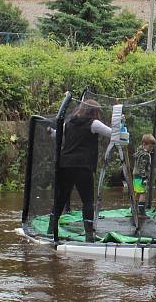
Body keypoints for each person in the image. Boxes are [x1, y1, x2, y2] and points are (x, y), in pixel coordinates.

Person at [47, 99, 112, 242]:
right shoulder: (93, 123)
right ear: (94, 111)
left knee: (61, 198)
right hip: (83, 166)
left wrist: (50, 130)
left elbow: (56, 135)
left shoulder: (69, 123)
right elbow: (113, 134)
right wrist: (121, 127)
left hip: (65, 165)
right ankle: (89, 236)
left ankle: (51, 230)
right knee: (87, 201)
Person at [131, 134, 156, 221]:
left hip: (135, 175)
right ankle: (141, 212)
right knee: (143, 193)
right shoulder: (145, 155)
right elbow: (142, 167)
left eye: (152, 147)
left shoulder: (139, 152)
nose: (151, 149)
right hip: (141, 176)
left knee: (137, 192)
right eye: (150, 146)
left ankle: (134, 210)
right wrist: (144, 177)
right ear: (144, 144)